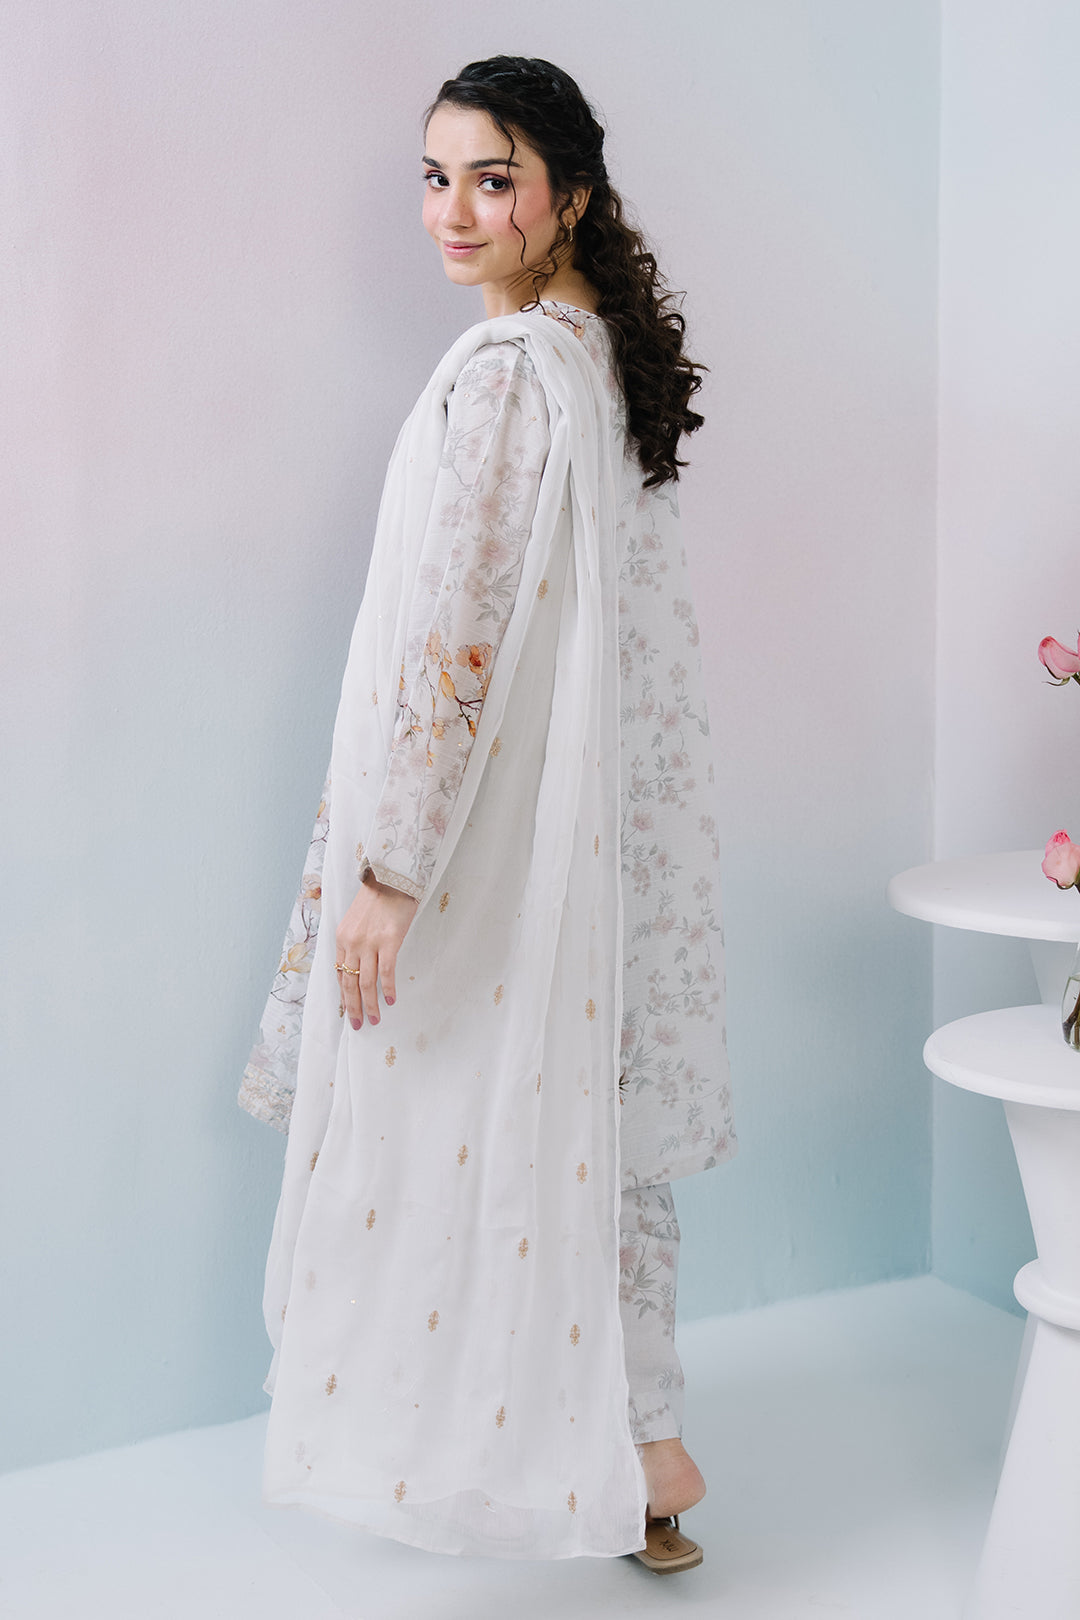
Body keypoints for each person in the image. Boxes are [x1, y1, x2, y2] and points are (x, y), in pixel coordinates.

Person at [239, 56, 735, 1571]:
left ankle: (547, 1449)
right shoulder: (596, 356)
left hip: (500, 839)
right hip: (590, 830)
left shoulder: (514, 373)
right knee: (580, 1121)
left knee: (465, 1111)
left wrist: (390, 870)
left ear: (568, 196)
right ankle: (643, 1447)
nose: (454, 212)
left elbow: (454, 632)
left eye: (494, 179)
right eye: (436, 177)